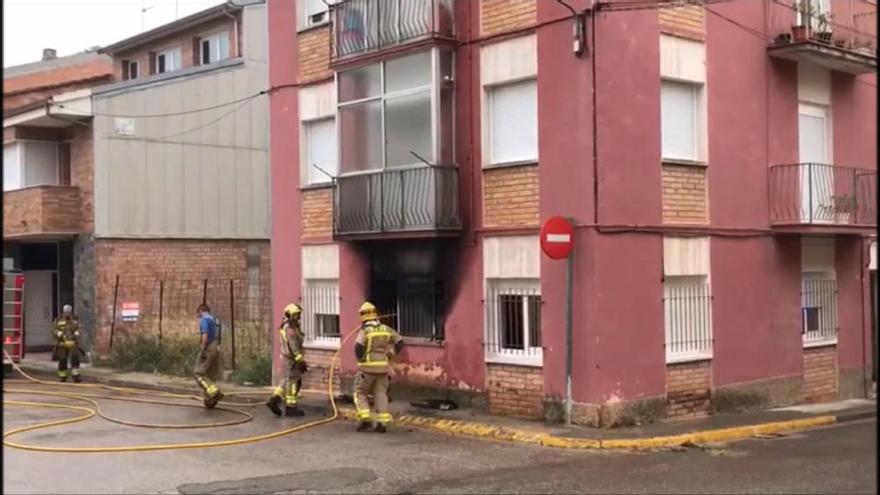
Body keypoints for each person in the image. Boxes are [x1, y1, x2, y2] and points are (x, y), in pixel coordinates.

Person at [353, 301, 403, 433]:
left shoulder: (364, 330)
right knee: (380, 393)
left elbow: (358, 347)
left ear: (363, 315)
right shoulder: (386, 328)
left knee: (359, 392)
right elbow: (399, 341)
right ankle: (382, 423)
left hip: (367, 368)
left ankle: (365, 420)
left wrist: (361, 359)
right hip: (383, 367)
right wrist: (391, 354)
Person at [266, 303, 308, 417]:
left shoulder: (290, 326)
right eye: (297, 315)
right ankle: (291, 408)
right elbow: (293, 346)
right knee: (293, 382)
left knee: (287, 380)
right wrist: (300, 360)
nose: (299, 317)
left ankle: (274, 400)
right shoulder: (290, 329)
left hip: (288, 358)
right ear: (291, 315)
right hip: (291, 359)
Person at [192, 304, 223, 409]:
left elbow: (205, 334)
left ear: (201, 311)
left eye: (198, 313)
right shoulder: (215, 320)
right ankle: (210, 401)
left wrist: (203, 348)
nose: (198, 316)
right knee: (210, 375)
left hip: (209, 347)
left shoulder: (204, 319)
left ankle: (213, 392)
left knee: (198, 373)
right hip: (216, 347)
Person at [52, 304, 82, 383]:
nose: (67, 314)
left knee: (75, 359)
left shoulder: (75, 319)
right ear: (63, 312)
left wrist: (77, 333)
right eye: (66, 312)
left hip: (73, 342)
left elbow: (79, 328)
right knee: (62, 360)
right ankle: (63, 376)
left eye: (68, 312)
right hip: (62, 343)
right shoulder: (58, 320)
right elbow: (54, 329)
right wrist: (59, 333)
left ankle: (76, 376)